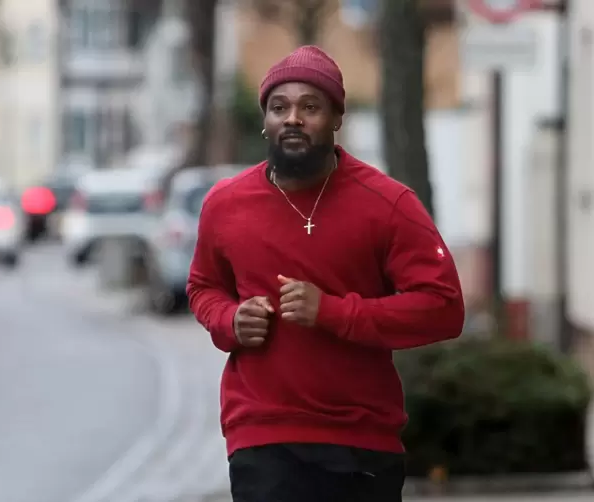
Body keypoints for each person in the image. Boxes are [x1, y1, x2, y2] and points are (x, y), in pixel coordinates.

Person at [187, 45, 465, 502]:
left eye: (310, 107)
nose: (292, 118)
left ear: (337, 119)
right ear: (265, 121)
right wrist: (230, 320)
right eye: (280, 108)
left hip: (361, 440)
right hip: (262, 432)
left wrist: (335, 313)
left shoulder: (388, 204)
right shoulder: (225, 203)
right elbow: (203, 286)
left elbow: (443, 307)